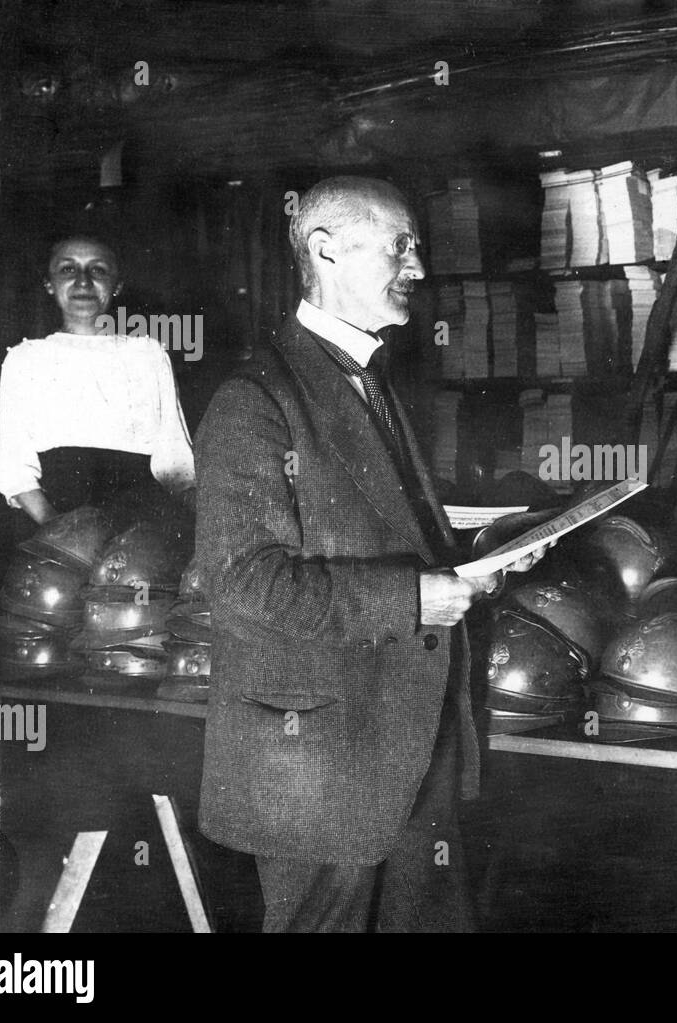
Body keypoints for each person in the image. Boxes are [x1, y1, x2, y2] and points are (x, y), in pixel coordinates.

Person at [194, 176, 547, 932]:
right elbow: (243, 581)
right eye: (400, 246)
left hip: (409, 737)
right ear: (325, 250)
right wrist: (417, 597)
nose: (417, 266)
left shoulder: (370, 379)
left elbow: (388, 535)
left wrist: (485, 557)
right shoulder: (253, 399)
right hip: (319, 755)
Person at [0, 236, 195, 524]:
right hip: (53, 522)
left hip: (141, 524)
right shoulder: (25, 358)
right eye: (68, 269)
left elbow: (175, 461)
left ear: (117, 285)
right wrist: (60, 531)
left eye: (98, 270)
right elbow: (15, 468)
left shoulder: (148, 354)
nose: (84, 282)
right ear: (49, 283)